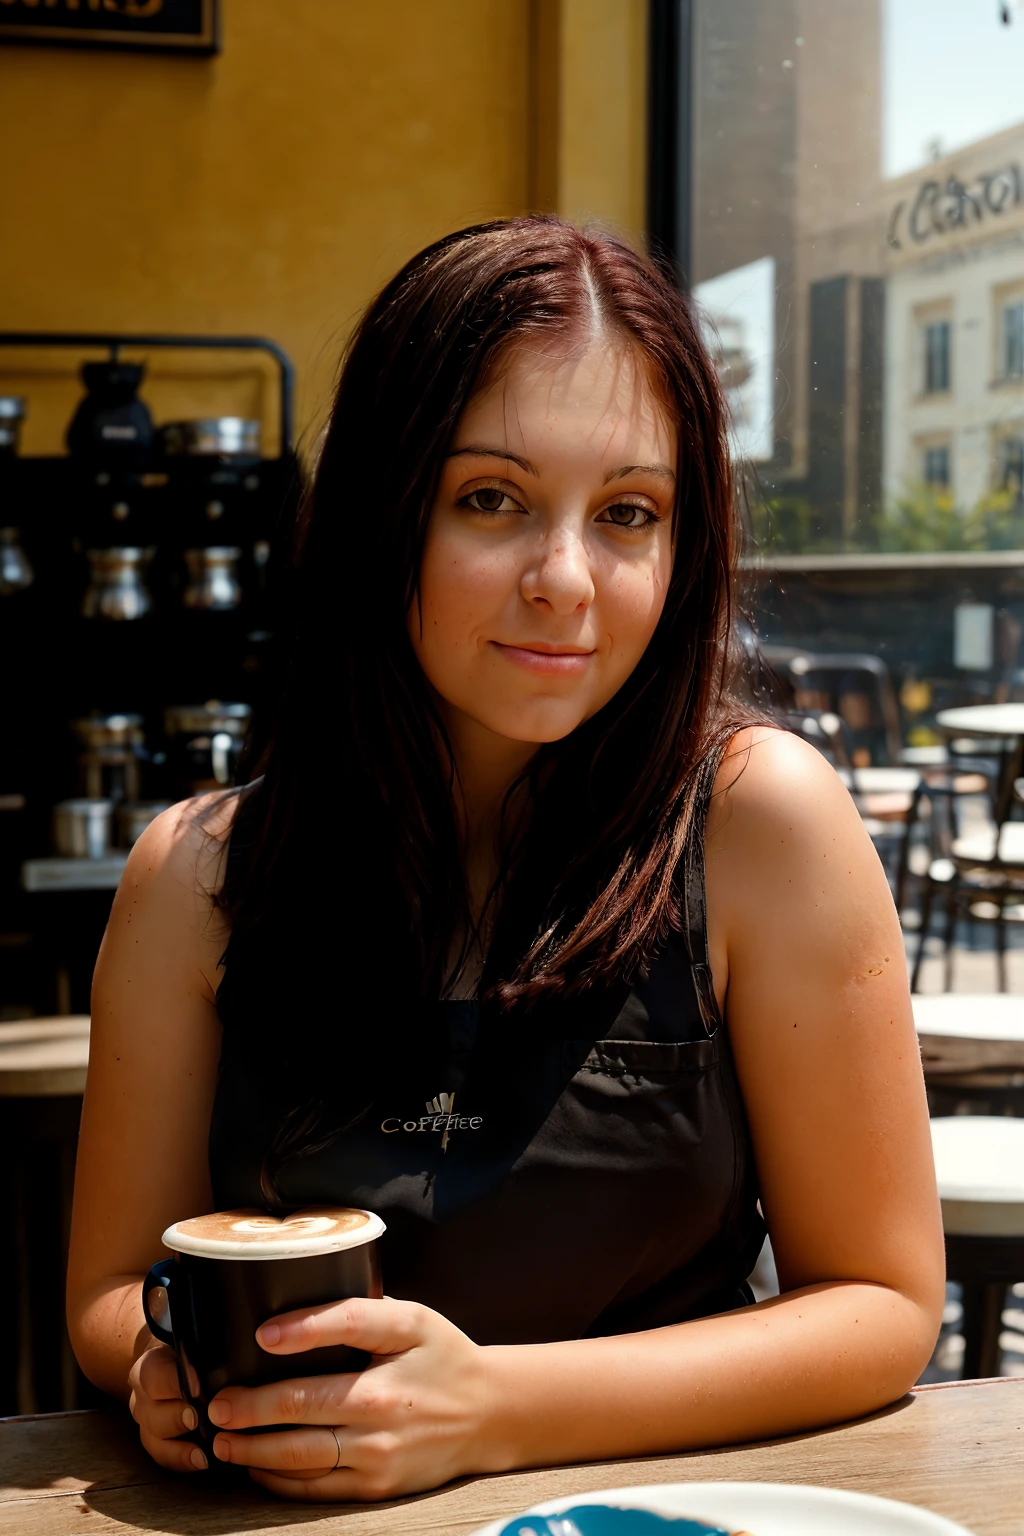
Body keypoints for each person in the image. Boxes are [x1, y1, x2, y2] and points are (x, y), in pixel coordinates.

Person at [66, 218, 944, 1503]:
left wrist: (492, 1411)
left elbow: (877, 1302)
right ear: (381, 511)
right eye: (492, 500)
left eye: (629, 515)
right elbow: (107, 1288)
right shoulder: (193, 875)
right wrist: (160, 1369)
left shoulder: (761, 823)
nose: (565, 579)